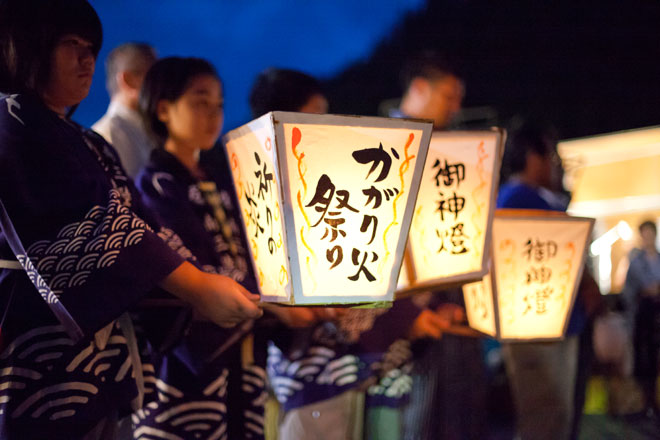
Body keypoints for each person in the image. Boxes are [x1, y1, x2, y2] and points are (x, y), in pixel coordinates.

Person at [0, 1, 261, 438]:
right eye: (71, 45)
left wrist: (209, 285)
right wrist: (196, 286)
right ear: (30, 47)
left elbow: (141, 230)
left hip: (102, 361)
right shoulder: (13, 123)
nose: (87, 60)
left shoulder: (88, 142)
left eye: (91, 48)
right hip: (39, 357)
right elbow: (94, 226)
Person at [249, 67, 454, 440]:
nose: (327, 121)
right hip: (309, 364)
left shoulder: (323, 176)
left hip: (346, 364)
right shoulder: (271, 185)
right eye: (317, 111)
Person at [134, 56, 277, 440]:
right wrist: (266, 294)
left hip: (243, 340)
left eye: (219, 104)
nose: (213, 114)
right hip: (187, 353)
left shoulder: (221, 180)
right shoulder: (154, 185)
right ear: (163, 108)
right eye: (200, 101)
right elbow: (180, 262)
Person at [497, 119, 596, 440]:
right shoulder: (517, 199)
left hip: (556, 325)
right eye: (551, 156)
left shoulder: (539, 198)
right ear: (532, 156)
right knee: (546, 416)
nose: (557, 166)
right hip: (538, 332)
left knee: (556, 414)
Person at [93, 43, 157, 178]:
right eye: (154, 76)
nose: (161, 85)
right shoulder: (109, 134)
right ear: (128, 80)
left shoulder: (146, 129)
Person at [623, 220, 660, 419]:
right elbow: (629, 291)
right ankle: (646, 401)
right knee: (643, 358)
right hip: (643, 316)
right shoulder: (636, 261)